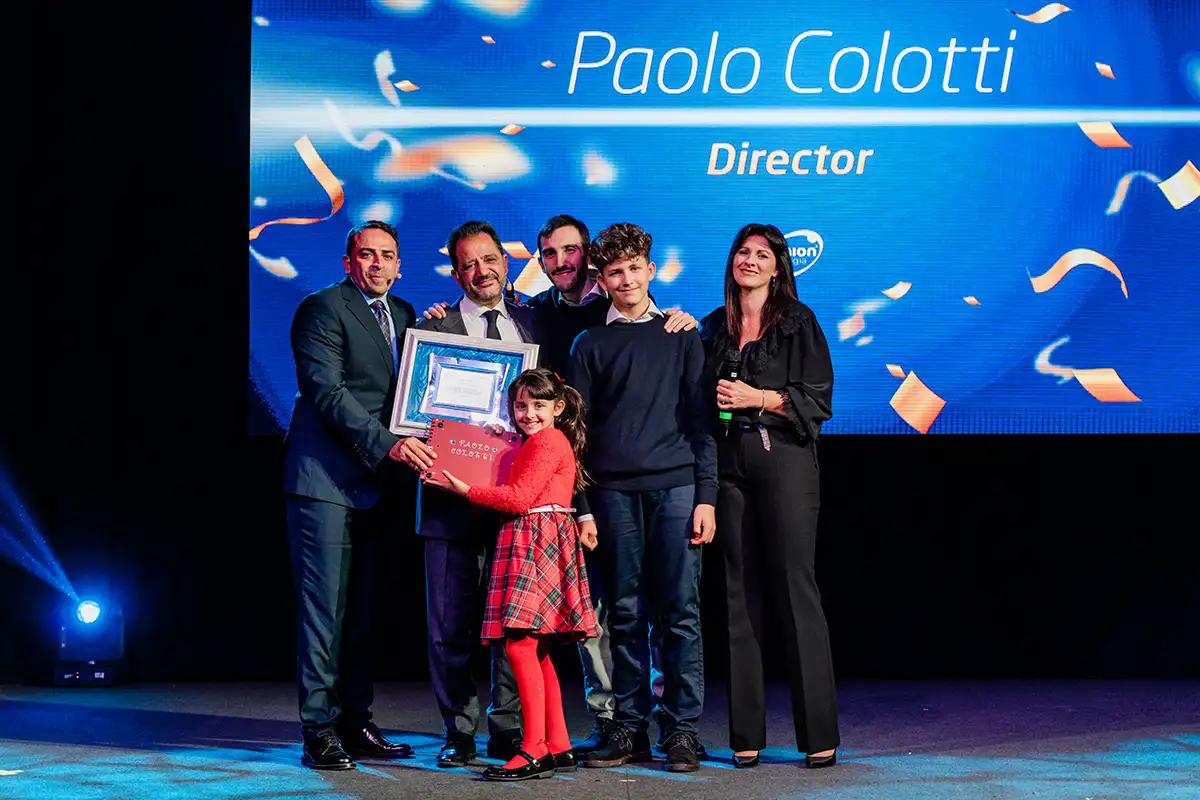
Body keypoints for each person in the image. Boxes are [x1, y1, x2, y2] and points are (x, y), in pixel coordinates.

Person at [568, 223, 717, 772]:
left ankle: (681, 730)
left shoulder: (682, 334)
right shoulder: (589, 343)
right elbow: (576, 433)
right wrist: (583, 505)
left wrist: (707, 496)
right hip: (611, 494)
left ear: (651, 270)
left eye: (634, 268)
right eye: (614, 272)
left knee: (679, 613)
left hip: (677, 488)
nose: (626, 279)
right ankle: (629, 727)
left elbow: (702, 422)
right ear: (601, 279)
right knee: (624, 613)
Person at [393, 221, 533, 767]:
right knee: (450, 626)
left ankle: (507, 727)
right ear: (456, 274)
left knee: (512, 623)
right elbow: (410, 412)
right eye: (469, 263)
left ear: (505, 262)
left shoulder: (533, 323)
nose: (482, 271)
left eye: (489, 259)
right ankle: (458, 729)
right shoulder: (431, 330)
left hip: (514, 501)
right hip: (449, 502)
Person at [699, 223, 839, 770]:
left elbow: (817, 399)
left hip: (784, 459)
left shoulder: (798, 322)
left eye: (762, 254)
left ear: (779, 266)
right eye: (743, 252)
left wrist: (757, 396)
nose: (750, 261)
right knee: (738, 596)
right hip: (729, 463)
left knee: (795, 590)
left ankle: (818, 734)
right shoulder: (714, 326)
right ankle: (745, 735)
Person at [282, 220, 416, 770]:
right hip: (324, 479)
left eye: (387, 255)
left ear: (399, 265)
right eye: (367, 254)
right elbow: (327, 391)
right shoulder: (322, 308)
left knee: (363, 613)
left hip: (377, 483)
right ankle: (318, 729)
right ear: (348, 261)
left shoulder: (405, 314)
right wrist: (390, 445)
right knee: (324, 611)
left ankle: (355, 721)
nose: (377, 263)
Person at [424, 368, 601, 781]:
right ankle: (557, 743)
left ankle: (534, 748)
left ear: (558, 407)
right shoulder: (536, 441)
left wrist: (466, 490)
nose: (529, 414)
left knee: (521, 645)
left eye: (538, 405)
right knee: (535, 649)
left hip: (535, 538)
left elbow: (519, 498)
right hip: (533, 536)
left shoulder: (547, 441)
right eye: (521, 406)